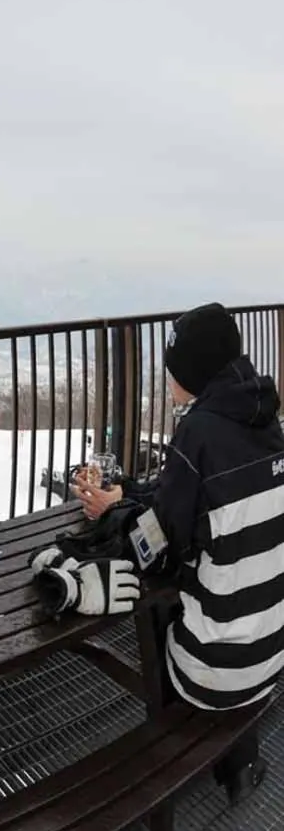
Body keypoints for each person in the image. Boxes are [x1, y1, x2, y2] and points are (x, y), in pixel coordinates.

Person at [66, 303, 284, 804]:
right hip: (271, 653)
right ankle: (240, 756)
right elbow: (196, 494)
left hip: (216, 669)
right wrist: (128, 497)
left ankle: (172, 749)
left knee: (157, 600)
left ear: (193, 371)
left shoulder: (199, 431)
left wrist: (109, 514)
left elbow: (156, 549)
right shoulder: (263, 419)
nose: (168, 382)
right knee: (220, 584)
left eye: (173, 371)